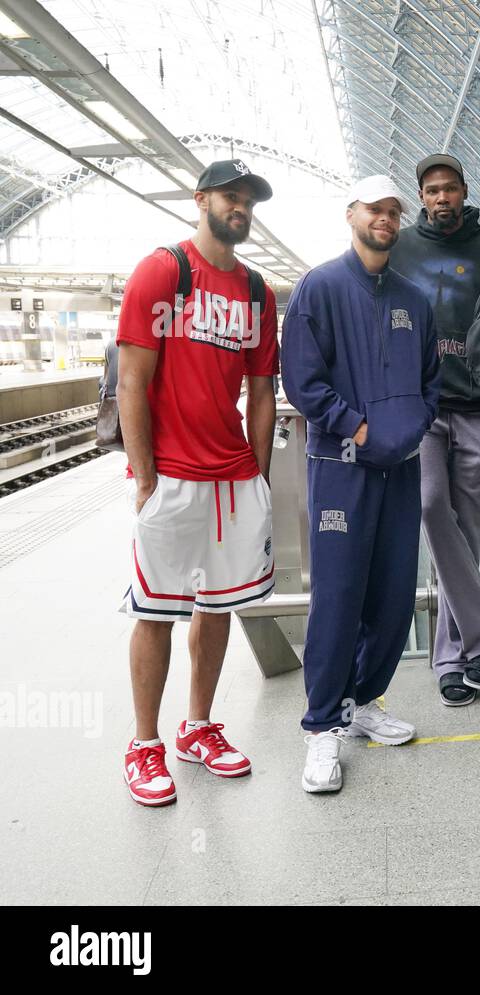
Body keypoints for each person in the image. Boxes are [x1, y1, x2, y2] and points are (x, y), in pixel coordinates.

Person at [117, 159, 278, 806]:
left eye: (248, 200)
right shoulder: (164, 270)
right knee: (156, 611)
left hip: (234, 477)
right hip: (174, 478)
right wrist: (146, 478)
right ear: (201, 199)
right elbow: (132, 381)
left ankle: (199, 726)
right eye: (230, 196)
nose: (240, 207)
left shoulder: (257, 290)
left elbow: (262, 391)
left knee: (216, 605)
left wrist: (260, 478)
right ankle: (143, 743)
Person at [282, 175, 441, 793]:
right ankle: (322, 726)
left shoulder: (414, 298)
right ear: (351, 214)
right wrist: (360, 429)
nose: (386, 219)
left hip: (400, 467)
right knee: (339, 596)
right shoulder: (318, 289)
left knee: (394, 594)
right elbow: (303, 380)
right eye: (375, 209)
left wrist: (410, 428)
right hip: (340, 468)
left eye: (393, 211)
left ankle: (365, 701)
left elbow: (431, 380)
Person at [387, 153, 480, 708]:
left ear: (464, 191)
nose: (442, 199)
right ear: (422, 196)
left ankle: (451, 659)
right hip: (424, 407)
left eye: (450, 189)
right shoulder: (400, 249)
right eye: (432, 191)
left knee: (468, 532)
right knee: (433, 504)